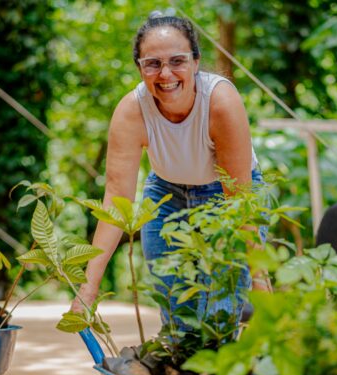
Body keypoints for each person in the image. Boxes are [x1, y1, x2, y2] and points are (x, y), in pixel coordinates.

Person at [73, 12, 265, 325]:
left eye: (177, 61)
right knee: (177, 315)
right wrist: (88, 290)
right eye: (152, 63)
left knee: (218, 313)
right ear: (139, 67)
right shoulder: (131, 111)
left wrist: (260, 281)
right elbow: (117, 200)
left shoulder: (220, 102)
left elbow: (239, 197)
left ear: (196, 62)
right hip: (166, 193)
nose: (165, 74)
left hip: (226, 195)